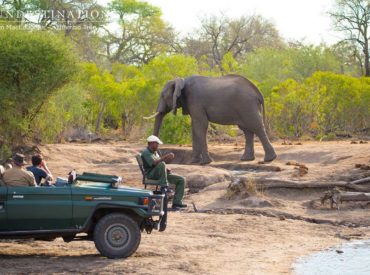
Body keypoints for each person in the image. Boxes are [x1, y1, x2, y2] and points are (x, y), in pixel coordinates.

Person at [141, 135, 187, 210]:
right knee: (162, 164)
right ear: (151, 143)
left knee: (181, 180)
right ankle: (164, 186)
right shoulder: (146, 152)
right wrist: (165, 157)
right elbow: (154, 163)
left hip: (160, 175)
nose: (158, 145)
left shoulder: (155, 152)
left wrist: (166, 168)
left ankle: (177, 203)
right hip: (151, 175)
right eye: (157, 144)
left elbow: (160, 164)